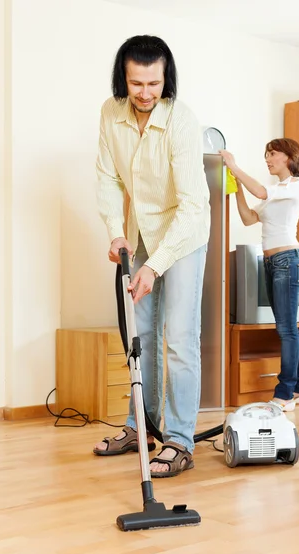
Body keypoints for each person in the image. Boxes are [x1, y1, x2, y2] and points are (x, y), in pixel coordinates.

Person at [92, 35, 210, 477]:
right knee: (140, 337)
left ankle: (178, 441)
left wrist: (157, 265)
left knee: (178, 337)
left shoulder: (182, 122)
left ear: (166, 79)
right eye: (136, 83)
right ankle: (141, 426)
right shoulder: (111, 112)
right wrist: (116, 234)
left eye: (153, 83)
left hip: (184, 234)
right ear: (124, 79)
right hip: (142, 234)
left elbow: (193, 206)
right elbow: (108, 177)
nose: (145, 93)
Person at [220, 139, 299, 411]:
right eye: (267, 155)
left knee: (286, 330)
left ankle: (285, 393)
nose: (268, 159)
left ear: (289, 157)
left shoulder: (296, 186)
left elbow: (260, 193)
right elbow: (249, 218)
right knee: (289, 328)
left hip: (287, 261)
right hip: (273, 263)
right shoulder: (275, 191)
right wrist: (236, 190)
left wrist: (234, 166)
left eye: (272, 154)